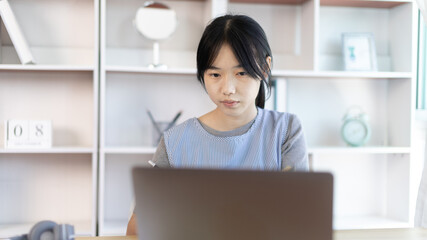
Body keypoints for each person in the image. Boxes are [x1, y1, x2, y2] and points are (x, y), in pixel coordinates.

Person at [126, 14, 309, 235]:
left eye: (241, 73)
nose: (227, 89)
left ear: (264, 68)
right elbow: (136, 227)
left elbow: (300, 218)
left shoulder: (285, 131)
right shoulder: (175, 142)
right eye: (215, 74)